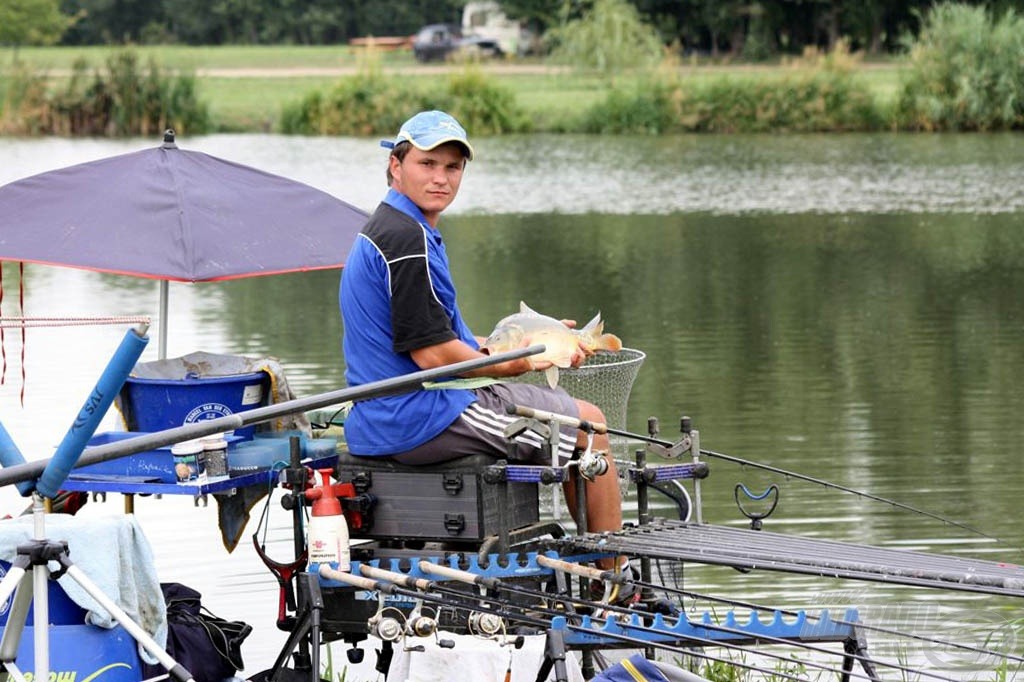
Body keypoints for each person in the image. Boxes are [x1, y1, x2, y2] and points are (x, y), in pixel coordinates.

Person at [339, 110, 626, 573]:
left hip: (405, 407)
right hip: (419, 416)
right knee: (588, 434)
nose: (441, 178)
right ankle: (613, 584)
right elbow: (433, 355)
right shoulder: (405, 240)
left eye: (452, 168)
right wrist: (518, 362)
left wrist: (518, 343)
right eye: (427, 164)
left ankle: (602, 570)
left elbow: (438, 336)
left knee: (586, 421)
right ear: (396, 165)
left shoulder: (397, 227)